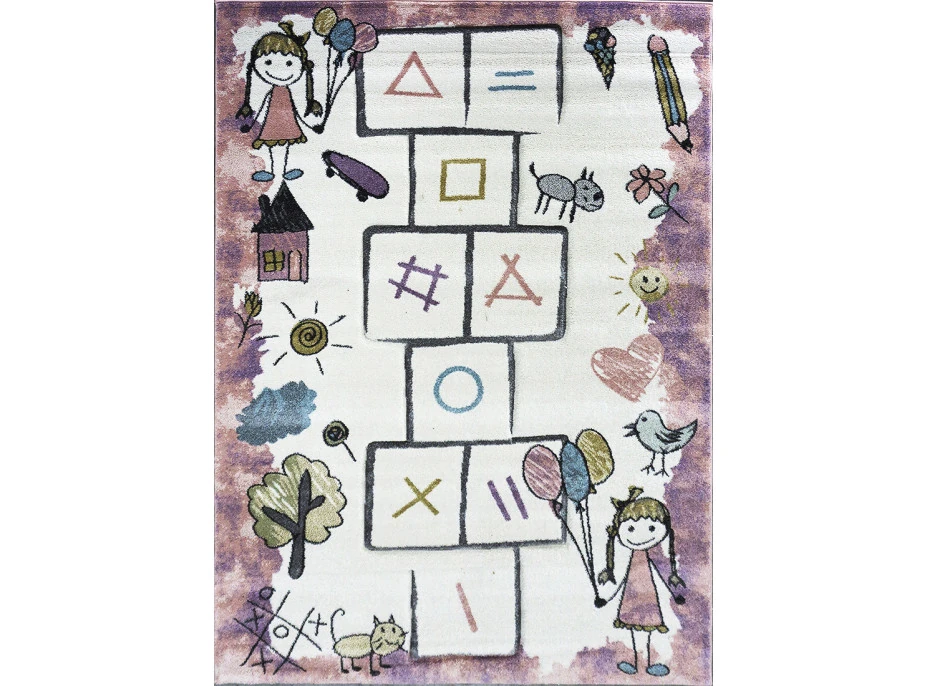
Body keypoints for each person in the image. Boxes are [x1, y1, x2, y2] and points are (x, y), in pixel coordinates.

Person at [598, 486, 685, 677]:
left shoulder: (651, 558)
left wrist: (673, 588)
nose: (639, 536)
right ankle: (634, 662)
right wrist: (607, 597)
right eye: (630, 529)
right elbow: (622, 580)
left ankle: (649, 663)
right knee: (633, 628)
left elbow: (659, 574)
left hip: (647, 596)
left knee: (647, 627)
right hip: (632, 594)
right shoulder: (629, 560)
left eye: (652, 528)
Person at [236, 21, 323, 182]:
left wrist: (309, 117)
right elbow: (264, 105)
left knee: (286, 144)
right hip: (273, 121)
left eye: (289, 63)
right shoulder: (273, 92)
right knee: (271, 143)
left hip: (287, 120)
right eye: (268, 62)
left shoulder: (287, 92)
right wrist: (251, 117)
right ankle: (271, 170)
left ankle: (285, 169)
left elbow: (295, 108)